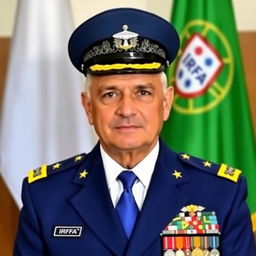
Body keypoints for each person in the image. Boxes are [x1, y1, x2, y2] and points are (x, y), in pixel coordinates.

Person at [14, 7, 256, 256]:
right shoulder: (45, 196)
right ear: (88, 107)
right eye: (110, 94)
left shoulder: (221, 193)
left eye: (143, 92)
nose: (127, 109)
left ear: (166, 103)